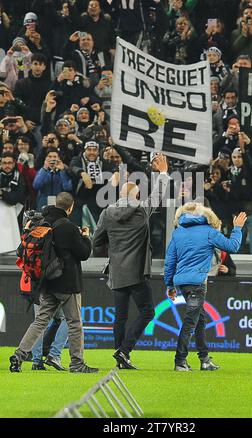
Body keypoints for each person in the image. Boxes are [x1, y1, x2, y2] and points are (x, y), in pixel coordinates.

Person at [92, 154, 169, 370]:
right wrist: (162, 173)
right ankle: (124, 351)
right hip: (136, 271)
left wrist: (113, 238)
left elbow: (97, 242)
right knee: (147, 312)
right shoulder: (141, 210)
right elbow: (158, 194)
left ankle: (120, 355)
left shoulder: (107, 213)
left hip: (117, 271)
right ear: (136, 197)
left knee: (121, 316)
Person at [9, 191, 99, 374]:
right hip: (67, 284)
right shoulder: (69, 227)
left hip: (46, 283)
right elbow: (83, 254)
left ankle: (19, 355)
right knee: (74, 322)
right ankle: (77, 363)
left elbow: (22, 250)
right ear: (70, 207)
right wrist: (85, 237)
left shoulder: (41, 223)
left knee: (40, 321)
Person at [164, 202, 247, 372]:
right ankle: (180, 361)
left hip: (182, 283)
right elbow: (233, 246)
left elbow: (170, 260)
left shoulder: (178, 232)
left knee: (200, 320)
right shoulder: (209, 232)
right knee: (190, 322)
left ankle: (204, 360)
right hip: (197, 284)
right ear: (205, 215)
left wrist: (170, 284)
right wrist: (237, 228)